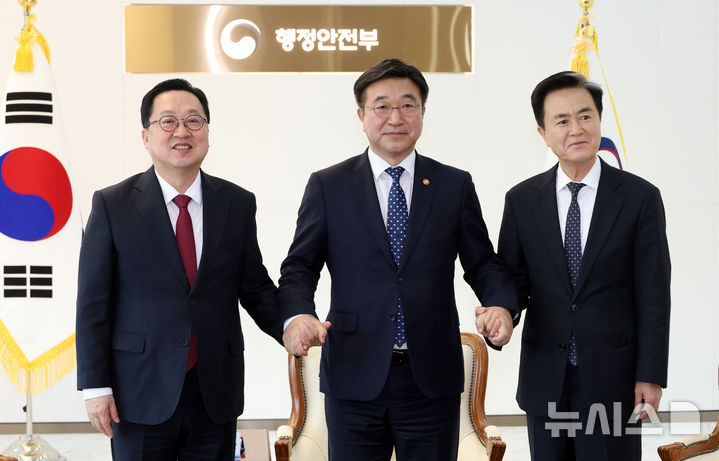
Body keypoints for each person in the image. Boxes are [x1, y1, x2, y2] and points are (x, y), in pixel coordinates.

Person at [278, 58, 519, 461]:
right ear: (361, 115)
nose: (395, 117)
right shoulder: (328, 185)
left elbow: (482, 263)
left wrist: (501, 305)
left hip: (432, 378)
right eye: (382, 106)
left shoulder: (453, 184)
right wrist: (297, 314)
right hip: (354, 375)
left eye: (408, 105)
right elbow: (300, 266)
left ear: (423, 112)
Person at [76, 78, 282, 460]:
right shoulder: (112, 205)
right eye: (168, 121)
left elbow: (255, 287)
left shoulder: (236, 203)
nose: (182, 131)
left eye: (193, 120)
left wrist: (292, 323)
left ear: (207, 132)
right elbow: (92, 304)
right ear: (146, 136)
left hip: (214, 393)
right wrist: (95, 386)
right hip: (138, 391)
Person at [495, 71, 671, 460]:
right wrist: (502, 313)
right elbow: (513, 282)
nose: (576, 129)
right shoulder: (522, 200)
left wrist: (650, 374)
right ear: (543, 133)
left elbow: (654, 294)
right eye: (562, 120)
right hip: (546, 379)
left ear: (599, 120)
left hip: (614, 380)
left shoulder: (639, 198)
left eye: (585, 116)